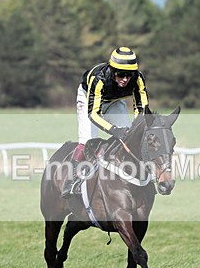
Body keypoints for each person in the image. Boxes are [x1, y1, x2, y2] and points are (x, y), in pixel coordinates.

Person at [62, 46, 149, 199]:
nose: (125, 79)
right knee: (87, 141)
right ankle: (72, 180)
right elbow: (93, 114)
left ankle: (138, 176)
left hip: (114, 102)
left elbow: (142, 109)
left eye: (129, 75)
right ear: (112, 70)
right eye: (121, 74)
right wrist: (114, 130)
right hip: (88, 98)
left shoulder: (138, 79)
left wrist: (137, 129)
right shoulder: (100, 79)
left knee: (129, 139)